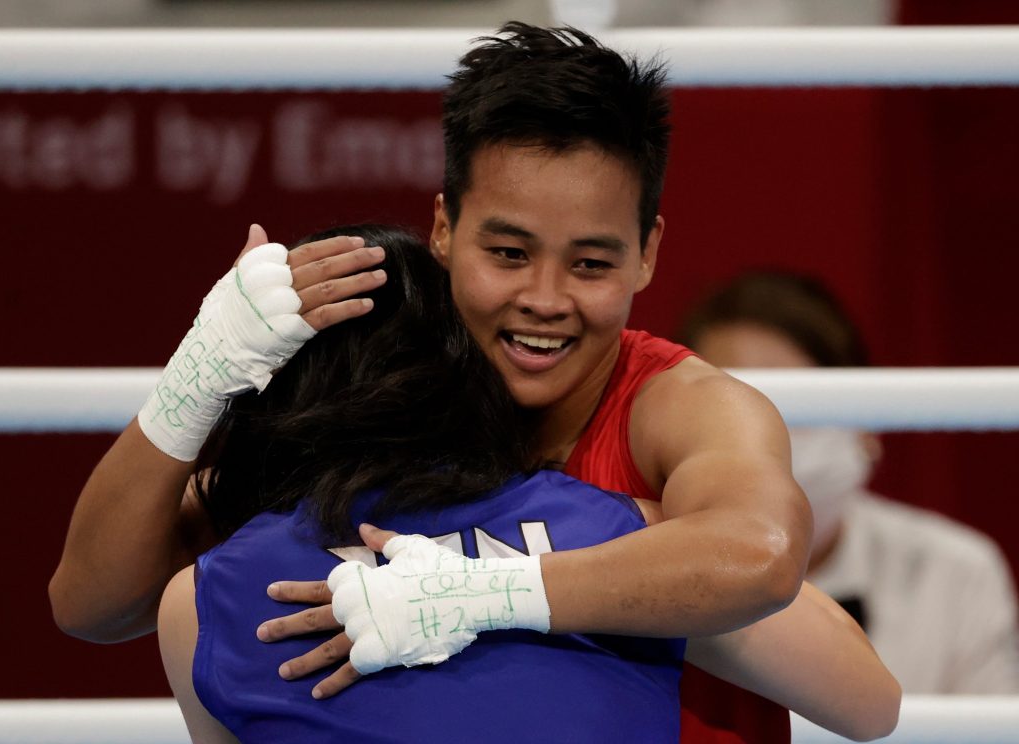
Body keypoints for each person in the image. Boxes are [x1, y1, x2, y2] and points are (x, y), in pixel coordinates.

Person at [53, 23, 848, 742]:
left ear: (647, 253)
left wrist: (486, 590)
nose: (544, 298)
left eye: (590, 264)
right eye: (509, 254)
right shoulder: (388, 403)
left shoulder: (685, 409)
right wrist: (200, 370)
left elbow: (764, 558)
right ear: (443, 229)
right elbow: (92, 605)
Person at [157, 224, 896, 743]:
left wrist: (200, 369)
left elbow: (97, 598)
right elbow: (872, 704)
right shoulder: (619, 529)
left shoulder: (202, 597)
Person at [679, 269, 1019, 694]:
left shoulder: (957, 570)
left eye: (795, 411)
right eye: (739, 414)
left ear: (865, 427)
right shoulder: (639, 561)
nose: (771, 441)